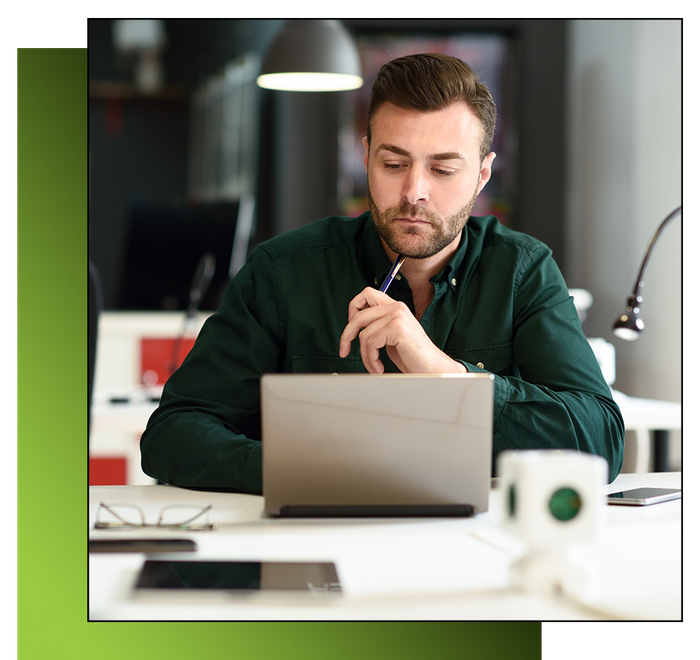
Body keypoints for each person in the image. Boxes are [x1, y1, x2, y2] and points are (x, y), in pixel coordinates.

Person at [140, 53, 624, 492]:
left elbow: (600, 437)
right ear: (367, 156)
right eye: (394, 163)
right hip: (313, 550)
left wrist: (444, 374)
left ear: (482, 174)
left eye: (443, 170)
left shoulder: (522, 269)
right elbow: (173, 433)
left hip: (476, 552)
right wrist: (301, 470)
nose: (414, 191)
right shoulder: (284, 271)